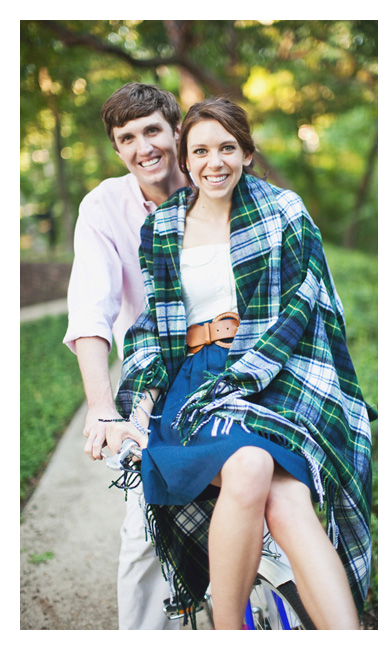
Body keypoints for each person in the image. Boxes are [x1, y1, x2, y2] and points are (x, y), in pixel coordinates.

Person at [104, 98, 372, 630]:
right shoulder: (161, 230)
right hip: (197, 387)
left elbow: (306, 301)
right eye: (200, 150)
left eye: (227, 148)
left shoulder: (283, 210)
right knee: (259, 474)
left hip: (279, 374)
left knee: (283, 493)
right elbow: (153, 327)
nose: (214, 162)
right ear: (185, 158)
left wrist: (248, 373)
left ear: (247, 153)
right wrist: (134, 407)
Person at [64, 82, 188, 630]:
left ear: (175, 130)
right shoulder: (103, 208)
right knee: (146, 526)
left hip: (231, 361)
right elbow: (92, 308)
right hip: (152, 373)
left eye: (153, 131)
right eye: (128, 138)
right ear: (118, 149)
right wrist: (100, 408)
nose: (144, 147)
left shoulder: (217, 182)